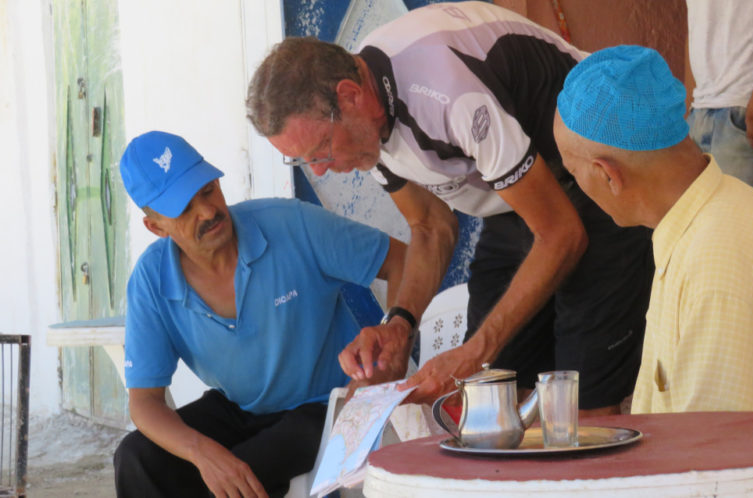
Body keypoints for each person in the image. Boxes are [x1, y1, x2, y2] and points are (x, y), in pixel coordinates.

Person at [246, 1, 655, 415]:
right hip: (516, 198)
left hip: (600, 173)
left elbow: (561, 233)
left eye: (321, 150)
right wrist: (399, 325)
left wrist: (476, 351)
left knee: (582, 411)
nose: (321, 169)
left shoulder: (445, 94)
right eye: (306, 161)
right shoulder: (363, 115)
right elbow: (429, 225)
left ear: (350, 96)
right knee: (489, 402)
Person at [112, 131, 406, 497]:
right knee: (136, 457)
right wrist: (202, 452)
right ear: (156, 227)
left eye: (208, 190)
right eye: (184, 209)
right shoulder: (151, 278)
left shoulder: (291, 224)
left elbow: (402, 262)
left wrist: (393, 334)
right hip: (239, 410)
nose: (208, 211)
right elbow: (144, 401)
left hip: (326, 406)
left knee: (240, 474)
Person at [553, 45, 753, 413]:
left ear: (607, 175)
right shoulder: (695, 223)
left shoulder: (715, 264)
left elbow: (713, 444)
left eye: (573, 173)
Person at [685, 0, 753, 197]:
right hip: (700, 116)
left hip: (746, 113)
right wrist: (689, 111)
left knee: (749, 216)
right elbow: (695, 24)